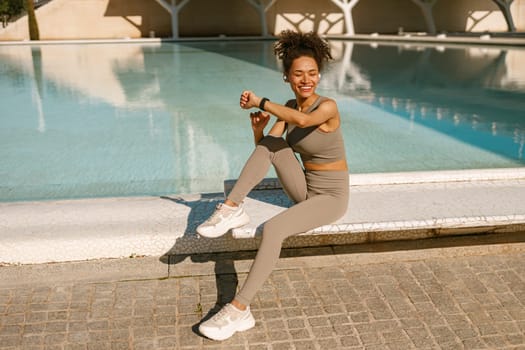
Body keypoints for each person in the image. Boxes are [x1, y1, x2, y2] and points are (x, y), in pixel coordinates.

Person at [196, 30, 349, 341]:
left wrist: (261, 101)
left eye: (312, 73)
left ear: (318, 75)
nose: (306, 80)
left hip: (331, 196)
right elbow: (269, 149)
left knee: (273, 229)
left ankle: (240, 308)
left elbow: (304, 122)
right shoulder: (290, 106)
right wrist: (259, 132)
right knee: (270, 144)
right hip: (304, 189)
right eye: (298, 74)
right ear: (287, 77)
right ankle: (231, 207)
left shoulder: (327, 107)